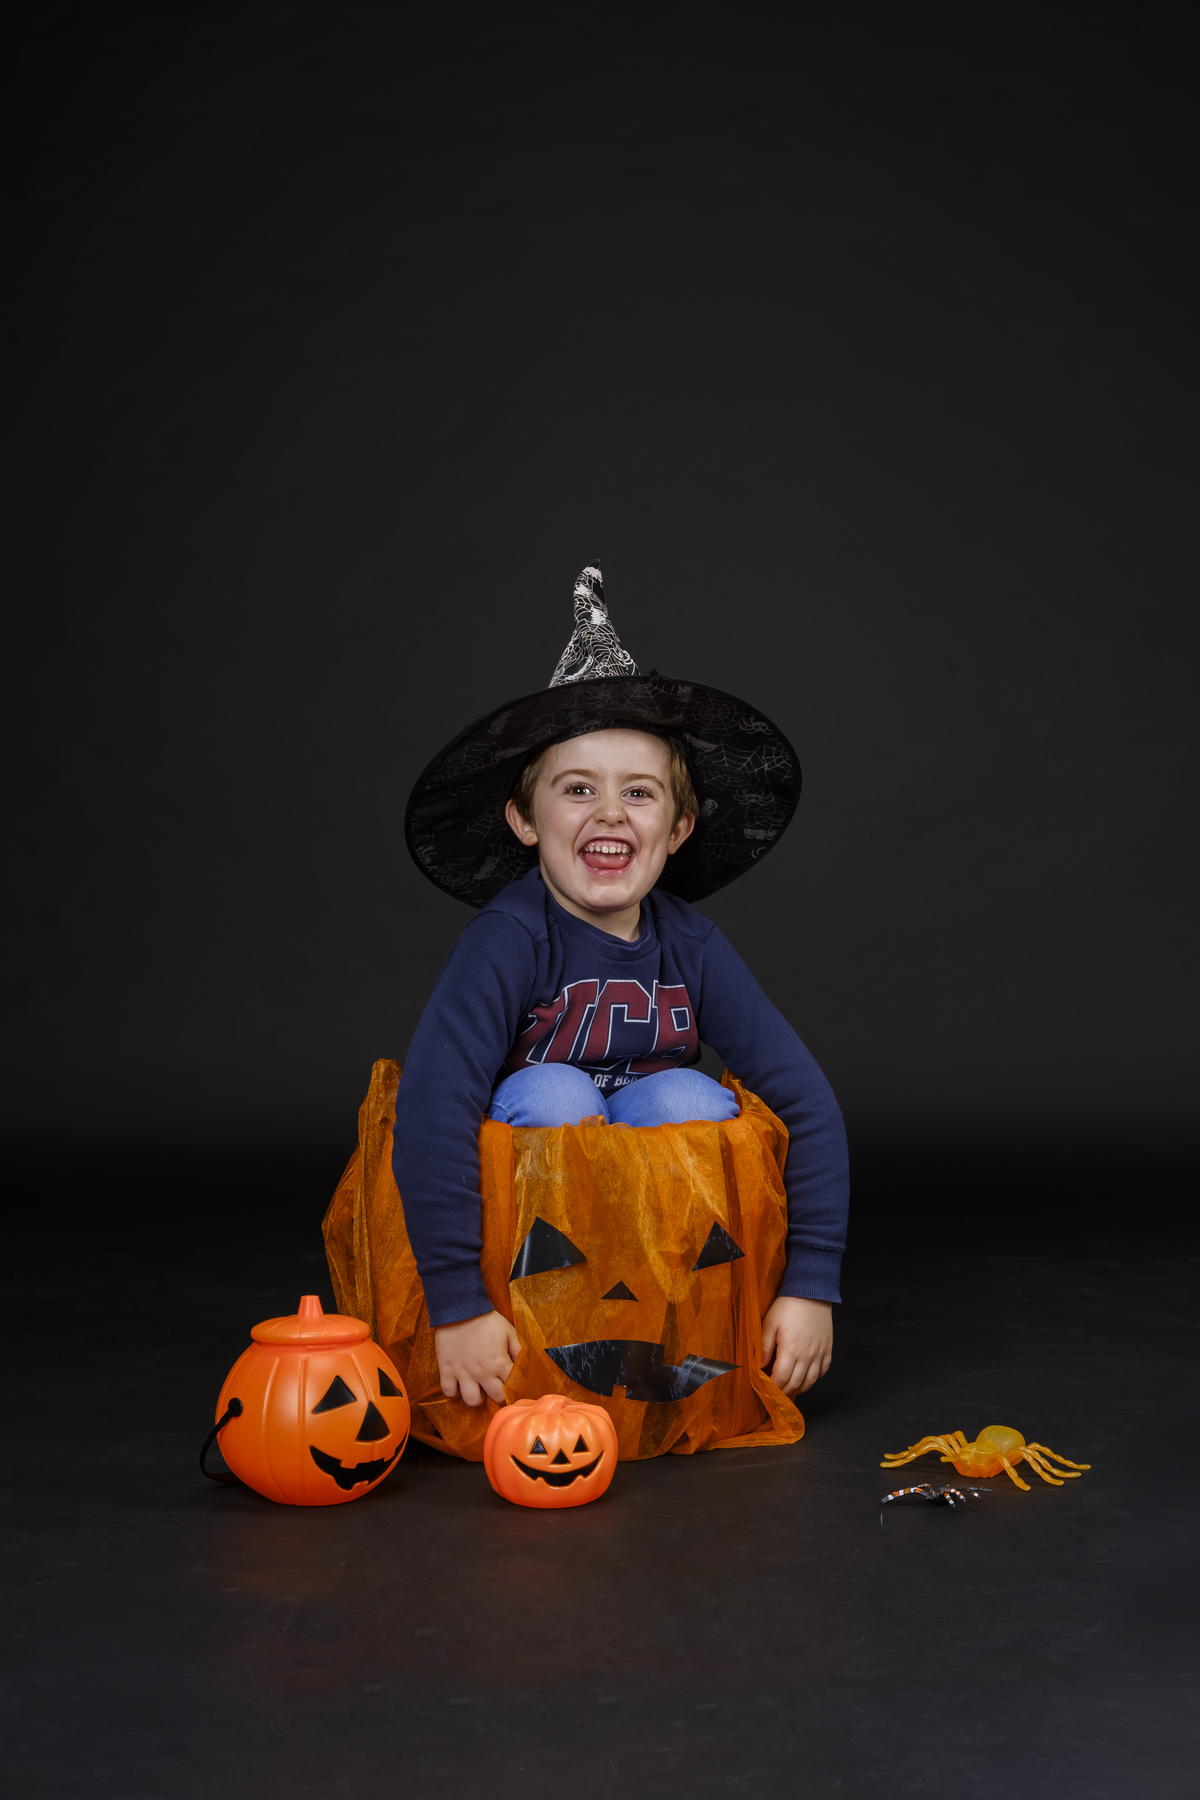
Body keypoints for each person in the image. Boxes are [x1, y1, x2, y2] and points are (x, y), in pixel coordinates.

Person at [395, 564, 849, 1414]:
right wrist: (456, 1302)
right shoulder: (508, 939)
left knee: (690, 1098)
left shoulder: (691, 943)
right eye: (578, 789)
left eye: (638, 793)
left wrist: (811, 1284)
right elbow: (433, 1107)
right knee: (556, 1090)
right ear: (525, 820)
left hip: (657, 1245)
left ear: (677, 829)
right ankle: (542, 1317)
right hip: (537, 1241)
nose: (609, 813)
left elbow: (808, 1104)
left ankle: (667, 1322)